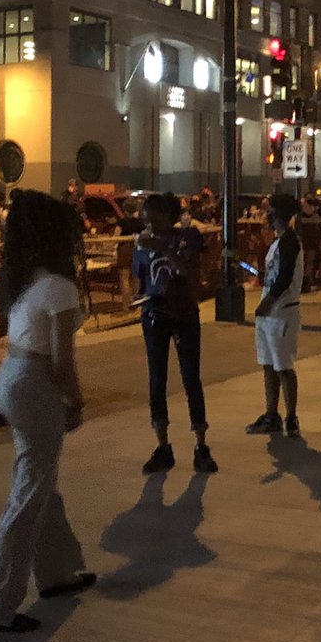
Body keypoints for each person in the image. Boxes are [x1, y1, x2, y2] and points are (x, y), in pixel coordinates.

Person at [0, 191, 94, 633]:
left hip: (12, 380)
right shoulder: (59, 287)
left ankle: (57, 572)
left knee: (41, 482)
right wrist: (75, 402)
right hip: (34, 384)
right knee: (30, 491)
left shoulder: (28, 281)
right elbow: (62, 361)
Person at [133, 192, 216, 475]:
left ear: (168, 217)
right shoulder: (142, 243)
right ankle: (162, 445)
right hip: (154, 315)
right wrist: (140, 296)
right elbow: (142, 279)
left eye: (154, 220)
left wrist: (163, 248)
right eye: (146, 221)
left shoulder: (187, 236)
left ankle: (201, 444)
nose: (150, 227)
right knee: (157, 380)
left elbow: (191, 274)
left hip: (184, 315)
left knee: (190, 377)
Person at [245, 195, 304, 437]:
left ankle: (290, 417)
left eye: (269, 211)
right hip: (272, 311)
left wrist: (267, 303)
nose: (266, 215)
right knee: (269, 365)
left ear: (279, 214)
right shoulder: (278, 242)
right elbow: (272, 275)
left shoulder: (289, 241)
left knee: (283, 367)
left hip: (281, 311)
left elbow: (284, 278)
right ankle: (272, 414)